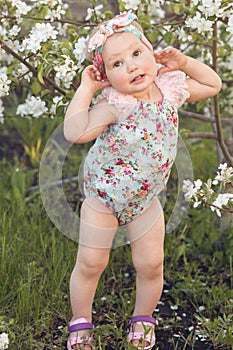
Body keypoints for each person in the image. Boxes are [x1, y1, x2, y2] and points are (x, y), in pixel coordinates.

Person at [64, 12, 222, 350]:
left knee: (151, 264)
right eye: (117, 64)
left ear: (152, 54)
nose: (132, 66)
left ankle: (143, 318)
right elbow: (75, 132)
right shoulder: (116, 105)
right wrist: (86, 88)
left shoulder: (172, 91)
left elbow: (213, 84)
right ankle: (80, 320)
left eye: (137, 54)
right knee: (92, 262)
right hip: (103, 198)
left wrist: (185, 62)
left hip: (145, 200)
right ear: (106, 77)